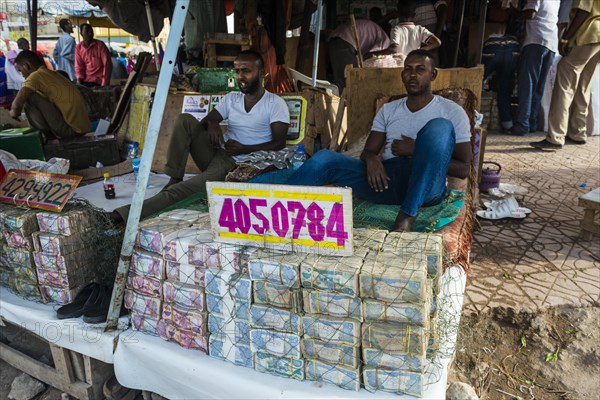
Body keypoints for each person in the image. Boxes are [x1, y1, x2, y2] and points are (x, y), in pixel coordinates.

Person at [285, 50, 471, 232]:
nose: (413, 75)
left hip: (427, 187)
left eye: (420, 69)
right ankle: (277, 204)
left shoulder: (452, 111)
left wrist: (417, 150)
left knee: (439, 127)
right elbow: (369, 151)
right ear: (402, 74)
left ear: (433, 74)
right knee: (325, 157)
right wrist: (372, 159)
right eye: (408, 69)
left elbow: (463, 169)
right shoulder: (389, 109)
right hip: (387, 181)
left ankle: (406, 216)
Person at [110, 50, 290, 224]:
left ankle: (122, 214)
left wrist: (244, 148)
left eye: (246, 71)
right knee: (185, 120)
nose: (240, 77)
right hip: (222, 154)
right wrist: (213, 123)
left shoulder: (275, 104)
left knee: (178, 193)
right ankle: (175, 176)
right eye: (237, 71)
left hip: (241, 163)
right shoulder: (232, 98)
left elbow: (278, 143)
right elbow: (208, 120)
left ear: (260, 72)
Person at [531, 0, 599, 149]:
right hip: (598, 36)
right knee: (583, 84)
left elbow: (583, 11)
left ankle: (555, 136)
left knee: (565, 77)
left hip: (588, 33)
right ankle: (578, 132)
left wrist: (566, 37)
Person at [9, 51, 91, 141]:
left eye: (20, 70)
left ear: (27, 66)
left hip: (71, 130)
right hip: (82, 128)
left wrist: (14, 113)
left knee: (29, 97)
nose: (22, 75)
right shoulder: (53, 74)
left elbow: (16, 105)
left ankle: (44, 138)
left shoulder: (35, 76)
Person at [510, 0, 560, 135]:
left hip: (535, 40)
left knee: (527, 84)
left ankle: (521, 125)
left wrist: (513, 10)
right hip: (551, 43)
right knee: (538, 86)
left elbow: (530, 14)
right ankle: (532, 123)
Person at [328, 18, 399, 92]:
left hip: (337, 38)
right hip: (345, 41)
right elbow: (369, 56)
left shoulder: (376, 31)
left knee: (343, 78)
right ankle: (346, 102)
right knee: (349, 79)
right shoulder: (385, 41)